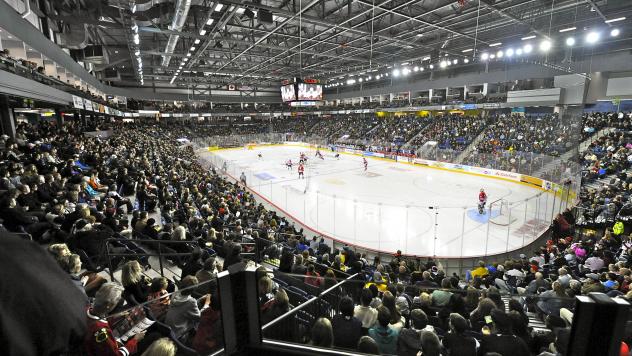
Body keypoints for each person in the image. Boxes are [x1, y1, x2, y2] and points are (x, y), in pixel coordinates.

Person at [85, 283, 145, 356]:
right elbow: (116, 355)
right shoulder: (101, 332)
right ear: (109, 306)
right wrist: (135, 340)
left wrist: (113, 317)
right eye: (116, 302)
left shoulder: (86, 308)